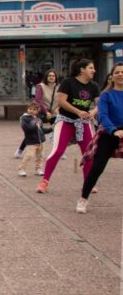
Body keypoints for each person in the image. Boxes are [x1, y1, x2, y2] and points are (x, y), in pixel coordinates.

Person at [37, 59, 99, 194]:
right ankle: (45, 181)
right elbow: (61, 101)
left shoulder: (93, 86)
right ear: (82, 69)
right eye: (91, 68)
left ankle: (88, 183)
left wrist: (92, 112)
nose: (94, 70)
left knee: (88, 154)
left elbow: (98, 104)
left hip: (84, 123)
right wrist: (78, 112)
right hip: (66, 120)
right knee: (58, 151)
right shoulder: (68, 82)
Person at [76, 63, 123, 213]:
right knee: (97, 167)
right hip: (109, 133)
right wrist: (113, 130)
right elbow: (102, 115)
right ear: (112, 76)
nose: (121, 74)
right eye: (117, 72)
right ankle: (83, 199)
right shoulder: (106, 95)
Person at [15, 69, 59, 158]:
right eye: (49, 76)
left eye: (53, 76)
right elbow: (38, 100)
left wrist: (57, 109)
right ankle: (20, 150)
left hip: (54, 112)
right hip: (41, 112)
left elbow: (62, 100)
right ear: (46, 77)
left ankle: (58, 151)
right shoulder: (41, 86)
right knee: (34, 131)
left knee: (58, 131)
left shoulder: (59, 87)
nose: (51, 77)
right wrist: (46, 111)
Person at [17, 102, 52, 177]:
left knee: (40, 156)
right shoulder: (24, 118)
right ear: (27, 109)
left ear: (37, 111)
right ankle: (21, 169)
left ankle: (38, 169)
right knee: (29, 155)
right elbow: (27, 128)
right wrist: (35, 122)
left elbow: (41, 130)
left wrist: (50, 129)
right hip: (31, 142)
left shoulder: (38, 119)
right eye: (30, 109)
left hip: (41, 141)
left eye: (34, 109)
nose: (31, 111)